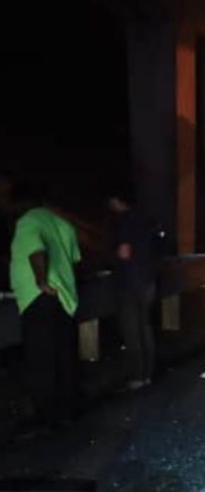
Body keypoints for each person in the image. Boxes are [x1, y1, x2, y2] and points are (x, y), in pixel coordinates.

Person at [7, 179, 81, 432]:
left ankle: (47, 417)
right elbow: (74, 259)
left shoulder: (28, 221)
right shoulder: (62, 223)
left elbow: (36, 252)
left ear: (22, 202)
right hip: (64, 299)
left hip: (39, 298)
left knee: (41, 361)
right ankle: (67, 412)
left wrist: (40, 280)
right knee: (63, 356)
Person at [107, 185, 155, 390]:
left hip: (130, 282)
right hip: (147, 280)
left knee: (131, 330)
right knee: (144, 327)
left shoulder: (124, 221)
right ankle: (148, 374)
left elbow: (124, 252)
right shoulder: (143, 219)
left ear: (117, 200)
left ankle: (137, 375)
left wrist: (111, 257)